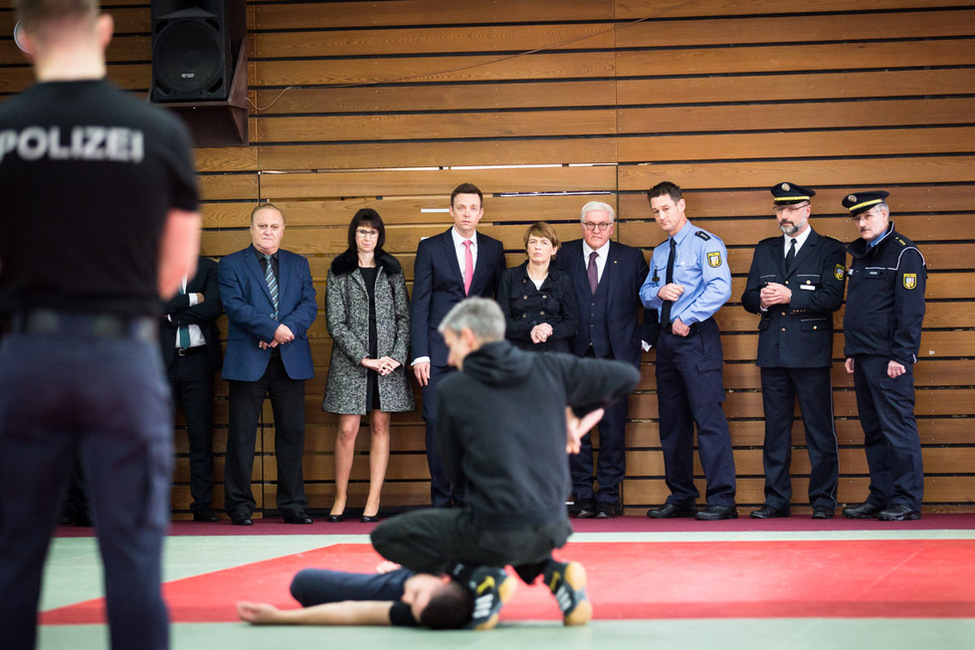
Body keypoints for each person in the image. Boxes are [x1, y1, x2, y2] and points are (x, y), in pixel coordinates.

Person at [0, 1, 201, 648]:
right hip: (123, 358)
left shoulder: (4, 132)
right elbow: (176, 266)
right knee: (134, 556)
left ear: (24, 37)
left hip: (26, 354)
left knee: (12, 555)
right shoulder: (157, 132)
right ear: (106, 29)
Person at [372, 297, 641, 629]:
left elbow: (457, 476)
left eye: (451, 345)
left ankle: (481, 576)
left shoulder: (454, 389)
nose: (450, 357)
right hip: (552, 527)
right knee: (507, 523)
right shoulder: (549, 367)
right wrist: (577, 415)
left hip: (493, 531)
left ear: (468, 336)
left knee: (387, 536)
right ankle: (553, 573)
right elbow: (627, 375)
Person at [741, 182, 845, 519]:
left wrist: (790, 297)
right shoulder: (765, 248)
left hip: (811, 353)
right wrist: (759, 300)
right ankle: (775, 500)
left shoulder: (828, 248)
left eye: (791, 209)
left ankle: (823, 500)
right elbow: (746, 297)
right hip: (773, 351)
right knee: (775, 431)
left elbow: (832, 297)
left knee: (819, 429)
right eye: (779, 209)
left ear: (807, 211)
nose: (784, 215)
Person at [640, 181, 738, 521]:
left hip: (696, 339)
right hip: (667, 342)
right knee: (673, 423)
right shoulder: (661, 252)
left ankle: (722, 499)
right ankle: (681, 496)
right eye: (656, 211)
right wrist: (659, 293)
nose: (662, 216)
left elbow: (720, 288)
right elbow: (645, 293)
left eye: (666, 208)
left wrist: (687, 315)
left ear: (682, 206)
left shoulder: (705, 244)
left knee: (708, 420)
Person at [219, 203, 318, 526]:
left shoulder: (299, 264)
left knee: (292, 435)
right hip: (248, 359)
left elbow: (309, 304)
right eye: (262, 226)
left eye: (274, 226)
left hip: (290, 360)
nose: (268, 232)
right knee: (242, 436)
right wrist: (270, 329)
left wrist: (283, 331)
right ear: (250, 229)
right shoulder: (232, 264)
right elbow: (234, 306)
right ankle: (239, 506)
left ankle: (292, 505)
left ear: (283, 230)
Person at [552, 201, 650, 519]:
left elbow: (650, 303)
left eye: (603, 225)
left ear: (612, 225)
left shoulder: (632, 258)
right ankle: (582, 497)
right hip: (573, 357)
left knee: (612, 430)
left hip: (616, 359)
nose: (597, 231)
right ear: (581, 225)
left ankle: (608, 496)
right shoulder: (563, 255)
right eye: (590, 224)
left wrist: (643, 342)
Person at [410, 183, 505, 507]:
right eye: (460, 207)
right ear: (451, 210)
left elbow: (499, 305)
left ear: (481, 212)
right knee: (437, 423)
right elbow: (419, 303)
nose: (467, 213)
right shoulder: (431, 248)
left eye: (472, 208)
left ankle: (466, 499)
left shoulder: (494, 249)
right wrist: (419, 353)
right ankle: (441, 500)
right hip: (436, 354)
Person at [322, 209, 415, 523]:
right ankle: (340, 497)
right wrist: (364, 358)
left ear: (379, 236)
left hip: (387, 363)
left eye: (372, 232)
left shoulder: (391, 269)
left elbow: (404, 317)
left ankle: (373, 499)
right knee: (347, 430)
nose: (367, 237)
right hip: (354, 364)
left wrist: (397, 356)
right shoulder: (339, 270)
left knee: (380, 426)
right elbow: (335, 322)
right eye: (362, 232)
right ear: (354, 234)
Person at [841, 191, 926, 521]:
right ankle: (882, 495)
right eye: (857, 219)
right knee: (874, 431)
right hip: (863, 357)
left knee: (897, 430)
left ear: (885, 215)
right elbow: (860, 307)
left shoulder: (905, 253)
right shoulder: (861, 253)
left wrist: (902, 356)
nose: (862, 223)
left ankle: (906, 500)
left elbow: (911, 311)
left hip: (889, 360)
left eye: (868, 217)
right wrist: (851, 351)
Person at [161, 255, 223, 523]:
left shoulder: (209, 267)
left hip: (198, 362)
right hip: (162, 363)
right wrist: (192, 298)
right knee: (159, 439)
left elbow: (214, 307)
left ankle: (202, 503)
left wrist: (172, 315)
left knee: (201, 436)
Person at [237, 564, 473, 629]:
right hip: (421, 566)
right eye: (417, 595)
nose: (406, 600)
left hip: (384, 586)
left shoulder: (409, 608)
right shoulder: (468, 569)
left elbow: (352, 611)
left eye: (412, 607)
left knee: (304, 582)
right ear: (444, 578)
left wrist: (279, 618)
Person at [497, 221, 578, 352]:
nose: (537, 247)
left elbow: (572, 323)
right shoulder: (510, 277)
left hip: (554, 353)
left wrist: (547, 332)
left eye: (544, 242)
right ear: (527, 247)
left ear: (554, 249)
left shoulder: (562, 279)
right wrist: (530, 331)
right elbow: (501, 321)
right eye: (533, 242)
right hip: (519, 352)